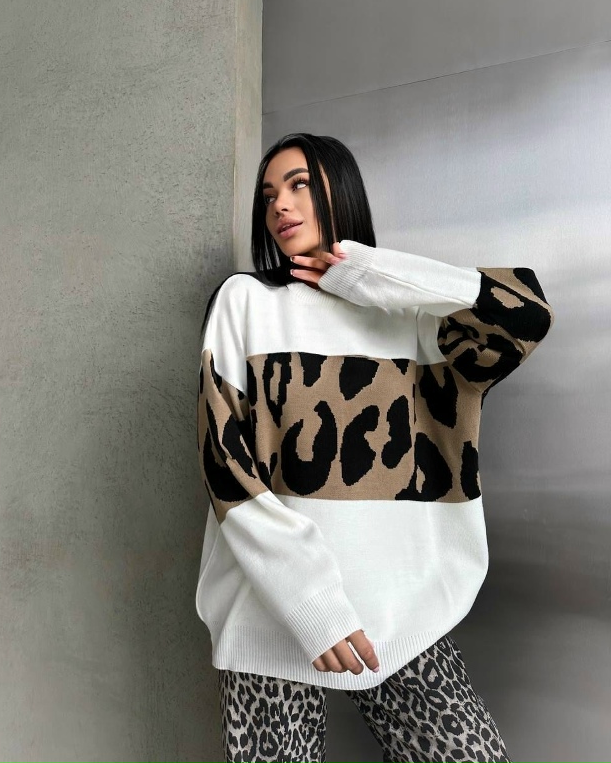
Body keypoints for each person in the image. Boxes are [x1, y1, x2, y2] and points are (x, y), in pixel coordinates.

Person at [195, 132, 554, 762]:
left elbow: (526, 314)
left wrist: (371, 275)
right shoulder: (246, 302)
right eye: (269, 194)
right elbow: (226, 467)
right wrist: (313, 605)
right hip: (272, 612)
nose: (280, 205)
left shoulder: (414, 317)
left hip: (404, 611)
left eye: (300, 184)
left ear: (341, 190)